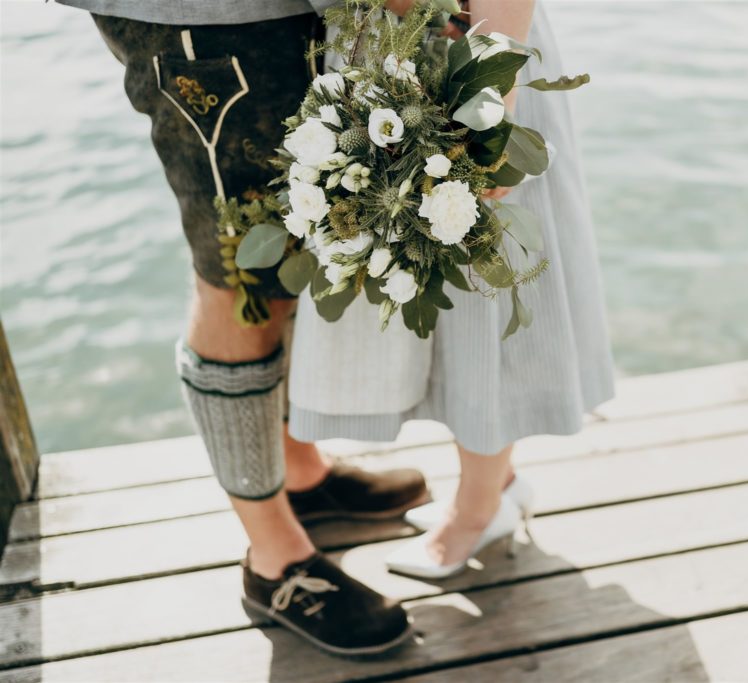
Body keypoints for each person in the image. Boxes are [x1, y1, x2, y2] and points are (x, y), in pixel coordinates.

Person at [54, 0, 457, 657]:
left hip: (275, 12)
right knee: (240, 275)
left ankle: (299, 471)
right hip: (208, 19)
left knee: (304, 247)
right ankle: (274, 559)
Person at [287, 0, 617, 579]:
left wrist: (493, 110)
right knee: (427, 293)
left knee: (484, 298)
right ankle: (498, 482)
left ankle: (479, 508)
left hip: (469, 59)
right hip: (378, 59)